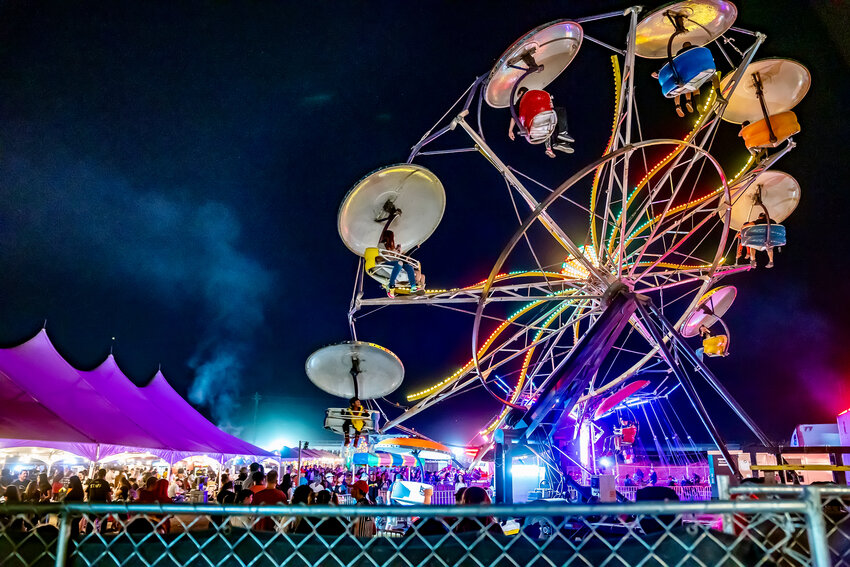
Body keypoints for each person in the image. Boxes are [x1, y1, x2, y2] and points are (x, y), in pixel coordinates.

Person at [508, 87, 574, 158]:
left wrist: (510, 130)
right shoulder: (532, 97)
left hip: (533, 128)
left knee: (547, 126)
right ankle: (561, 134)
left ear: (521, 93)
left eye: (518, 96)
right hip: (541, 118)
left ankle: (557, 144)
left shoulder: (520, 102)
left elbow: (514, 117)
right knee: (558, 113)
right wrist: (549, 100)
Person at [378, 229, 419, 298]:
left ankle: (413, 287)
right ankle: (391, 285)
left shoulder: (392, 247)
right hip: (385, 262)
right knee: (399, 263)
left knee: (409, 267)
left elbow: (397, 257)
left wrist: (398, 250)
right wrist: (394, 252)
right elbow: (385, 256)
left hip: (394, 262)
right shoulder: (381, 245)